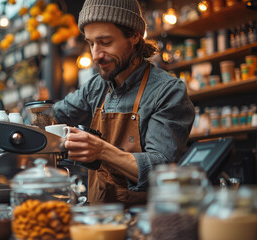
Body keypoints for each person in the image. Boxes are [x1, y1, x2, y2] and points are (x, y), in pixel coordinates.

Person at [53, 0, 195, 207]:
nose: (95, 55)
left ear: (135, 35)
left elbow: (162, 171)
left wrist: (101, 150)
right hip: (98, 218)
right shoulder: (96, 87)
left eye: (105, 42)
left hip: (146, 221)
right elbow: (55, 115)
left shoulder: (167, 92)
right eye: (91, 43)